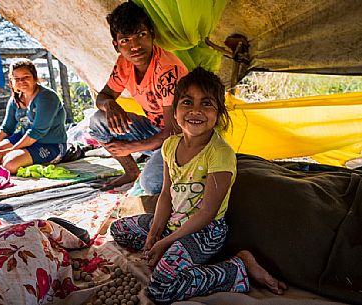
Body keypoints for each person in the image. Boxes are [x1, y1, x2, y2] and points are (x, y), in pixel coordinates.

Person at [110, 67, 287, 303]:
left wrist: (166, 242)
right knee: (119, 229)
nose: (195, 111)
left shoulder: (219, 153)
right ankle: (175, 253)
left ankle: (236, 269)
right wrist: (154, 234)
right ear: (174, 111)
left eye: (206, 104)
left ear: (219, 113)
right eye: (187, 102)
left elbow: (207, 213)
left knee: (162, 288)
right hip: (173, 224)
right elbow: (165, 196)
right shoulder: (169, 146)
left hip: (206, 231)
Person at [89, 1, 188, 194]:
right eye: (125, 40)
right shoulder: (124, 63)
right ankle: (131, 171)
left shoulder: (167, 70)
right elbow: (103, 96)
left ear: (152, 34)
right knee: (97, 122)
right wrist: (109, 104)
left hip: (182, 140)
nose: (135, 46)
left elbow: (173, 132)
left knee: (151, 184)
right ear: (116, 45)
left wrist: (130, 147)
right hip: (154, 132)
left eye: (141, 35)